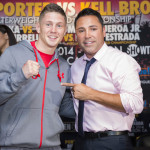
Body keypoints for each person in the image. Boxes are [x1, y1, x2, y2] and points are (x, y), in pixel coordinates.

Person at [61, 8, 143, 150]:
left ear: (103, 31)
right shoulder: (75, 66)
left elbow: (136, 104)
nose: (87, 35)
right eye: (81, 30)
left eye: (93, 29)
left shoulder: (121, 60)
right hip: (81, 141)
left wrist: (91, 94)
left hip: (112, 141)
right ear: (76, 36)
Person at [0, 3, 75, 150]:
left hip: (52, 146)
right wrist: (20, 75)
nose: (53, 30)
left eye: (59, 26)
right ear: (38, 27)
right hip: (14, 146)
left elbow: (64, 106)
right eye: (48, 24)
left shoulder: (64, 66)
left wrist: (93, 101)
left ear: (65, 31)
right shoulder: (13, 54)